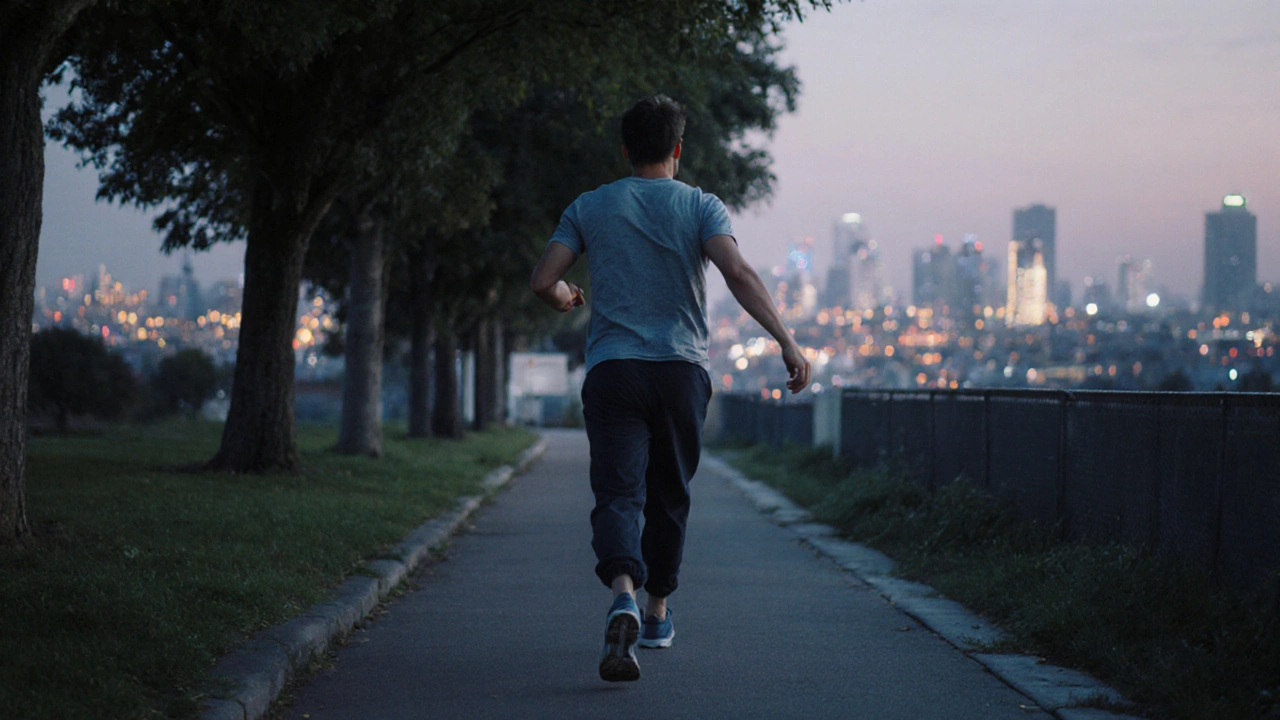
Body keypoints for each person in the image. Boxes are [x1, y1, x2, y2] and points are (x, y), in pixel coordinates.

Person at [530, 95, 810, 682]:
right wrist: (786, 341)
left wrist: (568, 297)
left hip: (614, 371)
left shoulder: (590, 205)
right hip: (681, 372)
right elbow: (736, 273)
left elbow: (544, 280)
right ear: (677, 149)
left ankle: (625, 592)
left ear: (626, 149)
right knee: (668, 494)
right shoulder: (701, 206)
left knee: (618, 492)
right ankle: (657, 612)